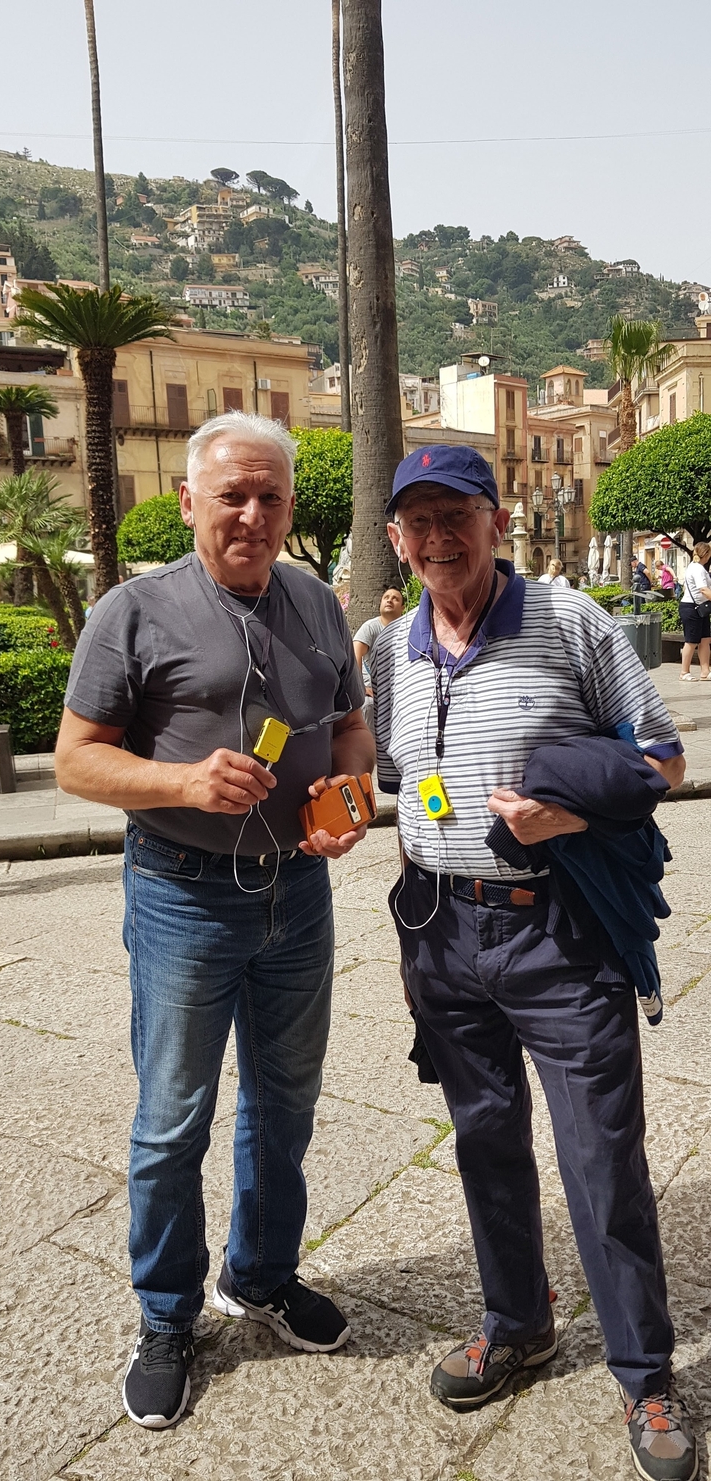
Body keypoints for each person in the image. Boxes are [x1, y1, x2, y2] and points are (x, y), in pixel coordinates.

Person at [371, 442, 697, 1481]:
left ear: (495, 520)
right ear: (394, 537)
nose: (437, 537)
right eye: (416, 520)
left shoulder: (571, 620)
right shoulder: (391, 650)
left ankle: (646, 1371)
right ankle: (518, 1321)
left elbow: (663, 754)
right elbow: (394, 772)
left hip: (557, 929)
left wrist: (568, 809)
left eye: (455, 514)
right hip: (441, 928)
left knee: (601, 1155)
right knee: (484, 1138)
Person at [55, 411, 373, 1430]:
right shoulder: (132, 610)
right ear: (190, 501)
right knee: (171, 1119)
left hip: (298, 893)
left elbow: (349, 721)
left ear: (289, 507)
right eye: (231, 493)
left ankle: (264, 1275)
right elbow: (75, 757)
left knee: (286, 1106)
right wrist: (182, 780)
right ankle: (167, 1313)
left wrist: (351, 795)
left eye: (269, 495)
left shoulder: (319, 604)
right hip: (181, 891)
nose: (251, 512)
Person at [353, 588, 405, 725]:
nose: (389, 600)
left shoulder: (407, 629)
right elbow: (355, 653)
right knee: (368, 705)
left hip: (396, 688)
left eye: (395, 598)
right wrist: (361, 687)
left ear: (403, 607)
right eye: (386, 597)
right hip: (372, 689)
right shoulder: (371, 627)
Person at [678, 542, 711, 681]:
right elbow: (703, 589)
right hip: (691, 608)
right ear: (707, 554)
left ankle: (705, 671)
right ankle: (684, 672)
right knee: (691, 641)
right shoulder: (697, 569)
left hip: (699, 608)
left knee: (705, 640)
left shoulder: (696, 567)